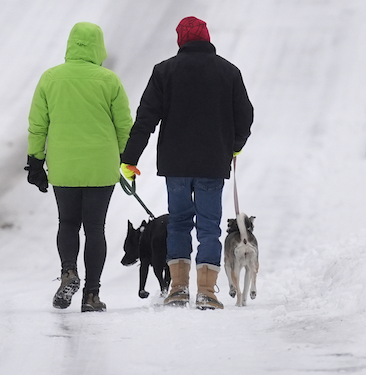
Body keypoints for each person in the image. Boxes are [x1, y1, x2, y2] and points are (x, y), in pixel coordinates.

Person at [119, 16, 253, 310]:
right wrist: (235, 147)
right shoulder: (228, 72)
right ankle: (207, 291)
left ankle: (177, 289)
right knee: (208, 227)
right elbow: (245, 116)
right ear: (206, 38)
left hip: (176, 164)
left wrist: (129, 159)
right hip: (212, 163)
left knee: (178, 223)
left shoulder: (164, 71)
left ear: (181, 40)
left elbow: (146, 118)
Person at [26, 22, 133, 312]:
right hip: (101, 165)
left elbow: (38, 124)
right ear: (99, 46)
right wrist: (128, 162)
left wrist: (35, 161)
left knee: (68, 223)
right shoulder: (108, 80)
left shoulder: (50, 78)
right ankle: (91, 296)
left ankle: (68, 271)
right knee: (95, 228)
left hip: (64, 165)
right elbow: (124, 125)